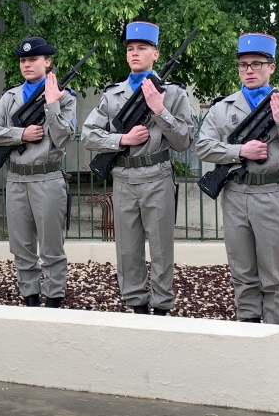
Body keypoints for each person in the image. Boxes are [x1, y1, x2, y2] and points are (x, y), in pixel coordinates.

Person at [196, 32, 279, 325]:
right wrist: (240, 151)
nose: (249, 70)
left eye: (256, 63)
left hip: (270, 194)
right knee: (242, 272)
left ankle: (276, 334)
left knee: (274, 274)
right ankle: (248, 330)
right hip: (235, 194)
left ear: (271, 67)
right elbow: (203, 147)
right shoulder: (222, 108)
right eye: (243, 64)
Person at [81, 21, 195, 314]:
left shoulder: (173, 94)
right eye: (130, 48)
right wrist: (122, 139)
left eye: (142, 48)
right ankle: (136, 305)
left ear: (155, 54)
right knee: (127, 248)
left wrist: (160, 110)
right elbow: (88, 135)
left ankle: (161, 306)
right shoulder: (113, 94)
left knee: (161, 248)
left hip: (157, 176)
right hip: (123, 177)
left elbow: (184, 141)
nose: (134, 53)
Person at [0, 37, 76, 307]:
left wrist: (52, 104)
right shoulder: (9, 97)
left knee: (51, 247)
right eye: (23, 60)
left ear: (48, 62)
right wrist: (20, 134)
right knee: (21, 246)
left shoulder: (66, 98)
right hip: (16, 179)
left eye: (33, 59)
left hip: (47, 177)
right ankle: (30, 299)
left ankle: (54, 300)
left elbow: (64, 137)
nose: (27, 64)